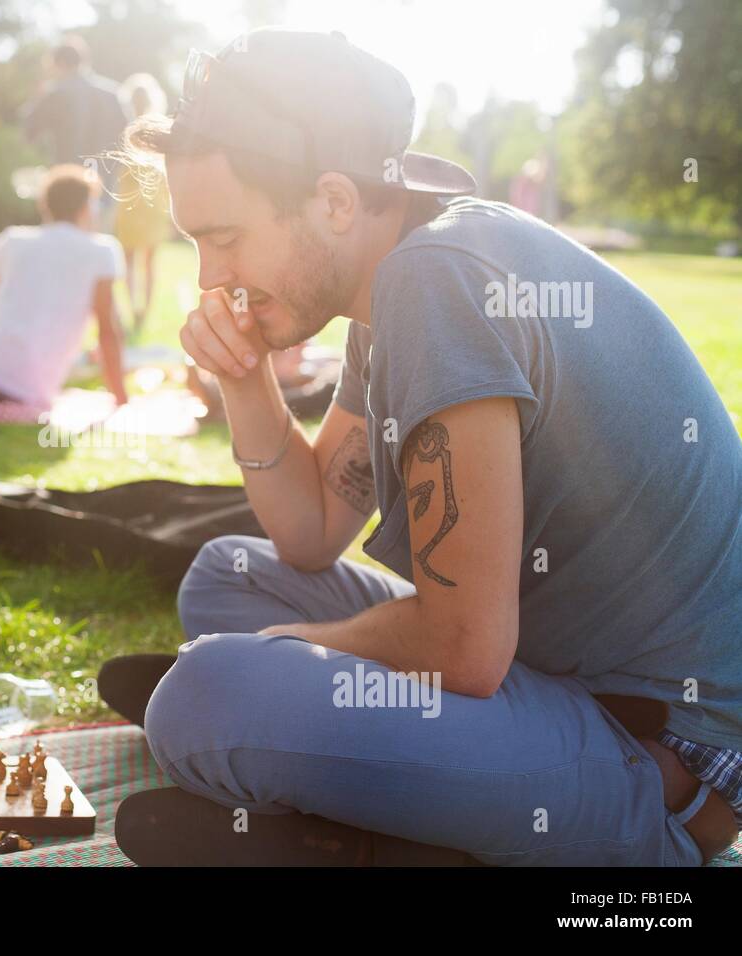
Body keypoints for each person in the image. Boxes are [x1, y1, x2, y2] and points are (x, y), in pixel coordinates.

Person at [100, 29, 742, 866]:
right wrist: (242, 375)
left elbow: (464, 648)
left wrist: (284, 653)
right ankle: (371, 789)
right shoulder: (401, 275)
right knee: (230, 575)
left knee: (205, 695)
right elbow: (310, 530)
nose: (207, 277)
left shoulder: (434, 283)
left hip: (668, 762)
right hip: (547, 674)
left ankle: (397, 826)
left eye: (223, 237)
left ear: (334, 202)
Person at [0, 164, 129, 408]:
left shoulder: (14, 240)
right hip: (29, 388)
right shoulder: (103, 251)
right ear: (87, 208)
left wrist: (26, 286)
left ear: (45, 206)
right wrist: (121, 398)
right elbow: (108, 330)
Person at [22, 36, 129, 228]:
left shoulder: (55, 92)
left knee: (60, 249)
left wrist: (36, 98)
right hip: (103, 186)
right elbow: (128, 137)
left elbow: (29, 132)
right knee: (97, 246)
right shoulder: (112, 93)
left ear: (60, 63)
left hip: (64, 187)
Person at [114, 73, 174, 333]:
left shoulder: (125, 131)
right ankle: (142, 313)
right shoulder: (160, 132)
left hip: (130, 206)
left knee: (129, 261)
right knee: (148, 262)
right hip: (151, 206)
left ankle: (135, 311)